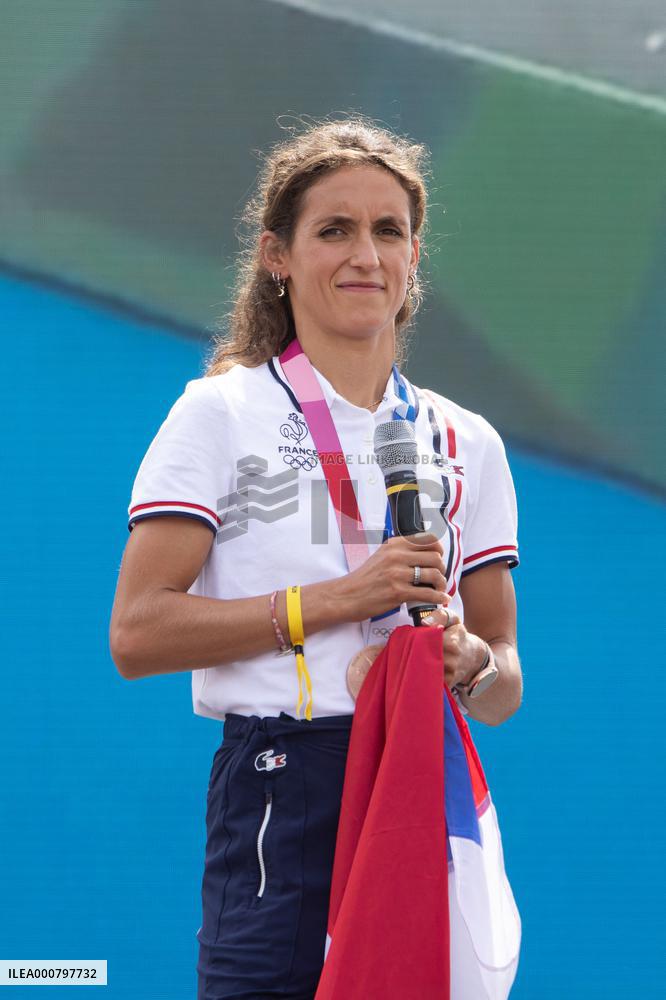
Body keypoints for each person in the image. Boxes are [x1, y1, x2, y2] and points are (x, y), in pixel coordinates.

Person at [109, 115, 523, 1000]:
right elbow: (136, 635)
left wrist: (470, 661)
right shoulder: (219, 414)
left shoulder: (468, 441)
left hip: (420, 769)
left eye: (388, 231)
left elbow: (506, 685)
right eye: (333, 229)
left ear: (414, 256)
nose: (364, 254)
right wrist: (339, 599)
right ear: (277, 256)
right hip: (283, 780)